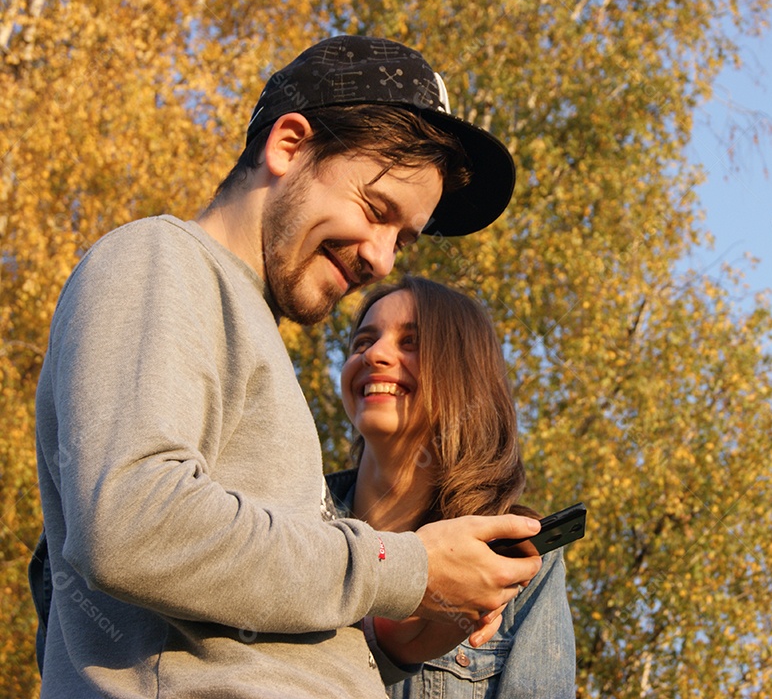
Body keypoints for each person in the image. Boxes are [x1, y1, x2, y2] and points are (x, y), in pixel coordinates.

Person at [31, 35, 544, 698]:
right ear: (289, 145)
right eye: (376, 210)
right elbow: (132, 523)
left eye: (402, 239)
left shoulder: (242, 327)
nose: (383, 260)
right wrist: (405, 566)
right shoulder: (160, 259)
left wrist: (386, 644)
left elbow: (236, 640)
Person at [325, 276, 577, 697]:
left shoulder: (518, 563)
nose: (375, 354)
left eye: (411, 343)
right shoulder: (292, 519)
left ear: (465, 376)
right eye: (362, 342)